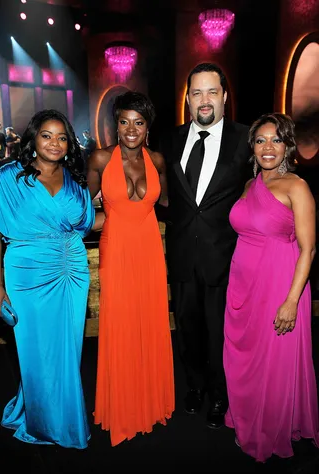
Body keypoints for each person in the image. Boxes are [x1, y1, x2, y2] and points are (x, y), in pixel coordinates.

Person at [0, 109, 104, 449]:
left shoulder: (75, 183)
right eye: (47, 135)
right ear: (33, 138)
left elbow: (86, 224)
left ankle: (51, 413)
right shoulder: (7, 178)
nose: (55, 143)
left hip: (72, 270)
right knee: (35, 351)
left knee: (67, 350)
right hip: (27, 272)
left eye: (61, 137)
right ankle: (46, 424)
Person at [159, 63, 251, 429]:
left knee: (220, 331)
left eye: (212, 91)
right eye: (197, 92)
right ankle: (195, 386)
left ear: (225, 97)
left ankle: (220, 395)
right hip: (182, 254)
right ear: (187, 98)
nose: (204, 100)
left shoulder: (246, 139)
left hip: (225, 257)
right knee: (187, 326)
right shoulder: (170, 140)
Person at [223, 112, 319, 462]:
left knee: (273, 362)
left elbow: (308, 248)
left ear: (288, 145)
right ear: (252, 147)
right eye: (261, 140)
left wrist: (291, 301)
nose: (268, 147)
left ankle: (271, 428)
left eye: (275, 140)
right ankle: (248, 417)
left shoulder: (297, 186)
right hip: (243, 286)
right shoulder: (250, 186)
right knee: (245, 357)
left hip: (280, 284)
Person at [87, 91, 174, 446]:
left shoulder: (158, 160)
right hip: (117, 247)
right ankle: (122, 406)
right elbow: (83, 209)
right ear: (115, 124)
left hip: (150, 249)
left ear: (147, 126)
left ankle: (151, 401)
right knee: (121, 323)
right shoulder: (99, 159)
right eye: (124, 122)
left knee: (149, 320)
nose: (131, 129)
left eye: (138, 122)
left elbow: (169, 201)